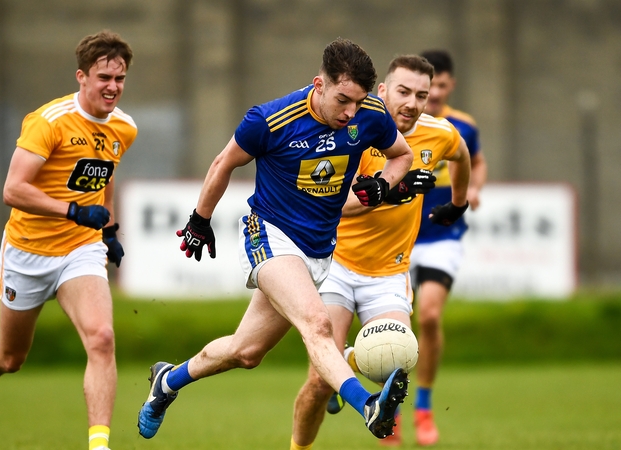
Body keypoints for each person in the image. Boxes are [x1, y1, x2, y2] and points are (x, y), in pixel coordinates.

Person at [136, 38, 414, 442]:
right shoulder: (270, 119)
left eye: (358, 101)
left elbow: (401, 156)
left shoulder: (369, 115)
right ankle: (367, 405)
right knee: (317, 324)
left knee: (246, 352)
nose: (350, 112)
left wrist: (381, 187)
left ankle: (167, 381)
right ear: (319, 84)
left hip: (318, 250)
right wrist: (200, 220)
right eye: (343, 100)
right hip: (268, 233)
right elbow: (222, 163)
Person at [0, 30, 136, 450]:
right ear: (81, 77)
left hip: (80, 248)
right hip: (28, 252)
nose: (112, 87)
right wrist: (73, 210)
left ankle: (99, 445)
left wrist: (107, 229)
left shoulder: (124, 128)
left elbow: (103, 176)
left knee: (102, 337)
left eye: (120, 78)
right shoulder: (49, 121)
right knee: (11, 357)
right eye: (103, 77)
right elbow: (12, 190)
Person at [292, 55, 471, 449]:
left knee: (394, 367)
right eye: (403, 92)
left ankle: (361, 375)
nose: (411, 102)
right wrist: (397, 189)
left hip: (389, 273)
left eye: (421, 95)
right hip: (334, 263)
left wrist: (457, 204)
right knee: (321, 381)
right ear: (383, 91)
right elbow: (337, 203)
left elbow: (461, 157)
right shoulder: (349, 128)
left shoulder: (439, 133)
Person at [409, 49, 488, 446]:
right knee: (390, 327)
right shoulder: (395, 125)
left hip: (442, 233)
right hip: (397, 236)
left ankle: (422, 407)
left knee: (429, 316)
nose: (435, 93)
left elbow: (475, 160)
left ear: (450, 85)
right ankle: (380, 397)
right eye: (429, 87)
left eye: (441, 85)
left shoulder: (462, 126)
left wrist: (472, 188)